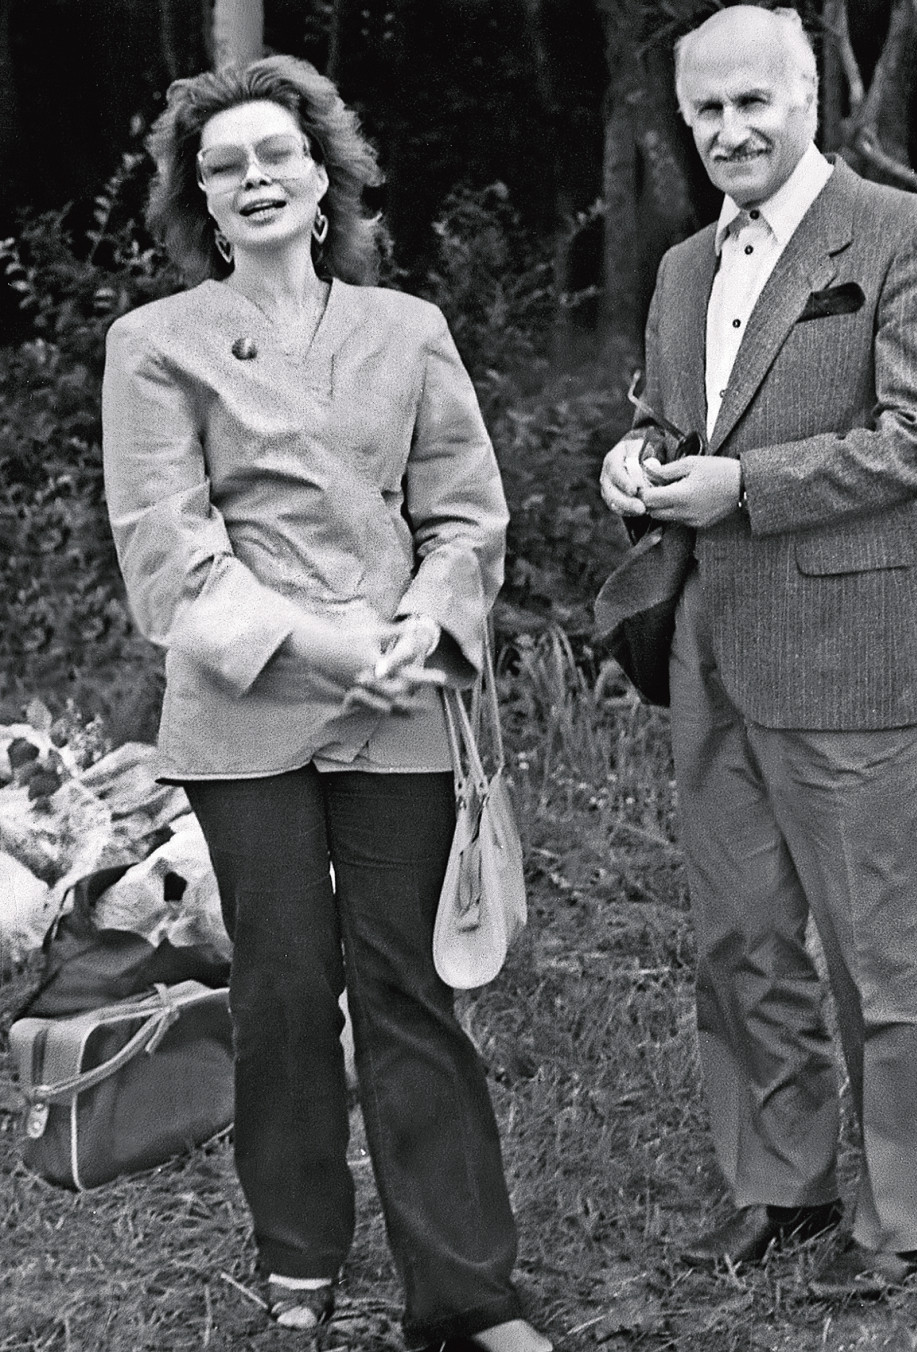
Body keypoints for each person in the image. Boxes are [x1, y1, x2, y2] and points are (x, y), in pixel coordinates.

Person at [101, 55, 552, 1352]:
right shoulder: (156, 345)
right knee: (285, 993)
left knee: (408, 988)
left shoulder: (407, 329)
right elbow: (167, 552)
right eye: (224, 164)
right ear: (198, 197)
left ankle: (466, 1295)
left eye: (276, 154)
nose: (254, 178)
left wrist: (422, 626)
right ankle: (298, 1268)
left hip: (401, 701)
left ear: (322, 176)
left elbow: (465, 516)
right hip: (244, 718)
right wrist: (321, 645)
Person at [599, 5, 917, 1298]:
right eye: (706, 109)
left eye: (752, 101)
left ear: (808, 95)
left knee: (879, 956)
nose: (730, 130)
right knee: (739, 941)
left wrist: (747, 486)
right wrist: (636, 459)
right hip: (713, 646)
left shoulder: (907, 235)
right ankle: (783, 1185)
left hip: (860, 651)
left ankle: (905, 1219)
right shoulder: (682, 269)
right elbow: (672, 418)